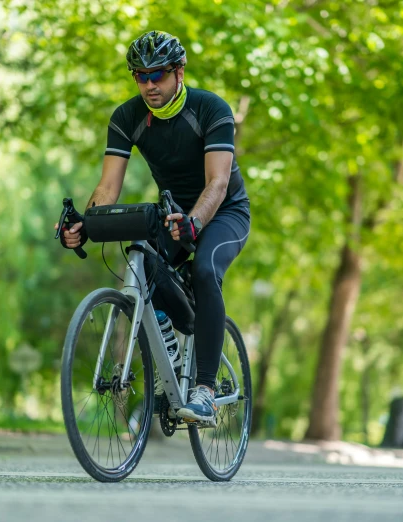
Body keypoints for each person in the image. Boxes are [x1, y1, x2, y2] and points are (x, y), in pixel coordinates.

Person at [56, 30, 250, 427]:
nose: (148, 85)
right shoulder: (127, 117)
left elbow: (217, 182)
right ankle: (167, 351)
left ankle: (205, 392)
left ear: (179, 72)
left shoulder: (211, 109)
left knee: (205, 269)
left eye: (157, 74)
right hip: (174, 212)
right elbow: (107, 187)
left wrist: (195, 223)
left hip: (225, 211)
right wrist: (85, 224)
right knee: (141, 257)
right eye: (139, 76)